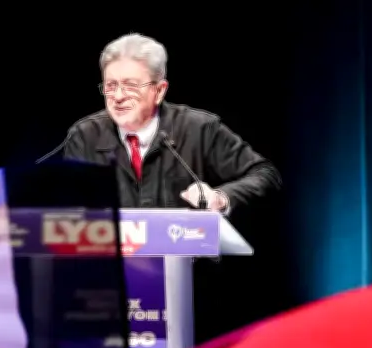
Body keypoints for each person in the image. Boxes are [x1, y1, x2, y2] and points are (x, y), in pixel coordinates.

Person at [63, 33, 281, 213]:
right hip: (109, 253)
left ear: (159, 91)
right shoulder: (84, 136)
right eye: (110, 86)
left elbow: (266, 174)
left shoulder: (199, 129)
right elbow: (68, 209)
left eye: (130, 86)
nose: (118, 96)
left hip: (186, 252)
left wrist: (221, 198)